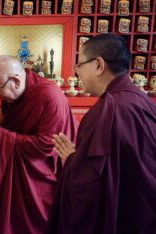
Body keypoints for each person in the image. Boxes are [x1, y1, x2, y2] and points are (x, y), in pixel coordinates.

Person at [50, 33, 156, 234]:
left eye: (79, 65)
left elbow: (90, 185)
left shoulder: (106, 111)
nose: (77, 72)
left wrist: (73, 160)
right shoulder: (143, 101)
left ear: (99, 65)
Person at [0, 55, 78, 234]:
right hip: (16, 164)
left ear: (15, 80)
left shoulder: (49, 95)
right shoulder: (11, 96)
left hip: (41, 171)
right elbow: (5, 126)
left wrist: (1, 135)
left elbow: (47, 145)